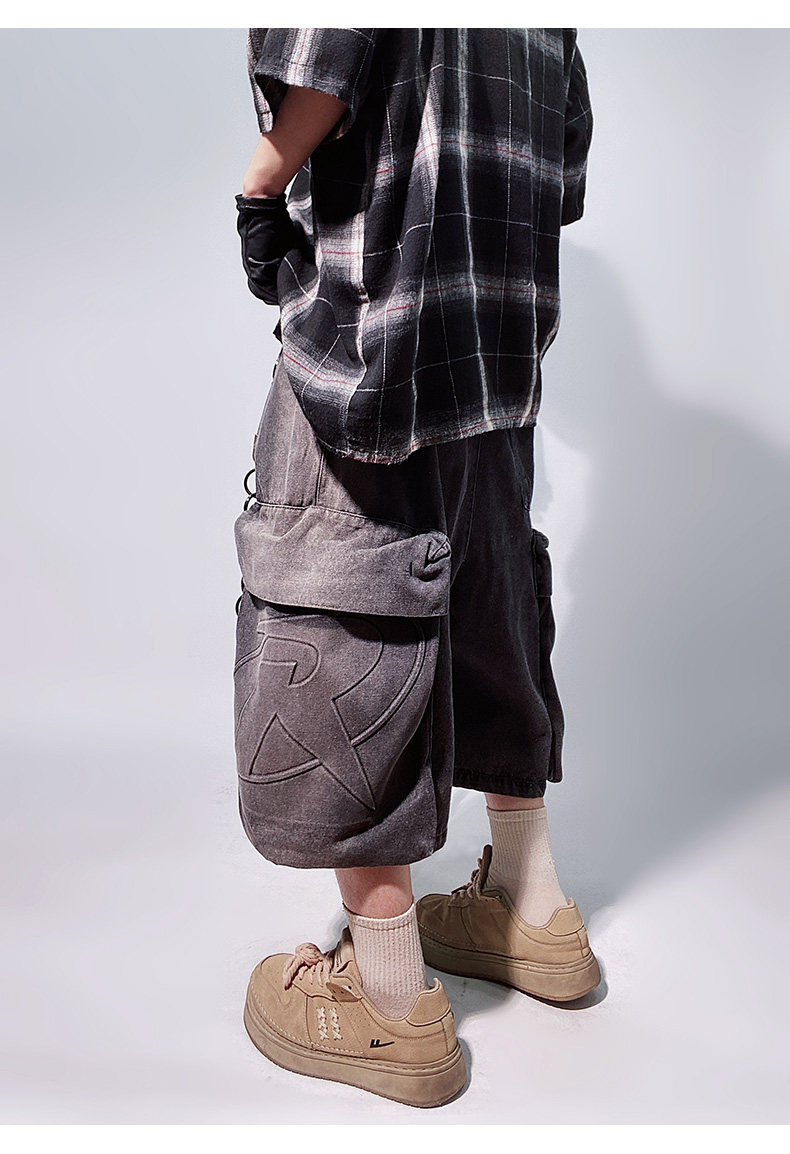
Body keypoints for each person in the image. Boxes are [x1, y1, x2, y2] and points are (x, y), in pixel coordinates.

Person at [233, 28, 596, 1108]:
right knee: (489, 593)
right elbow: (566, 167)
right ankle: (533, 912)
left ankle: (388, 995)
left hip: (376, 343)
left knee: (342, 602)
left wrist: (260, 189)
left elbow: (322, 51)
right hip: (495, 350)